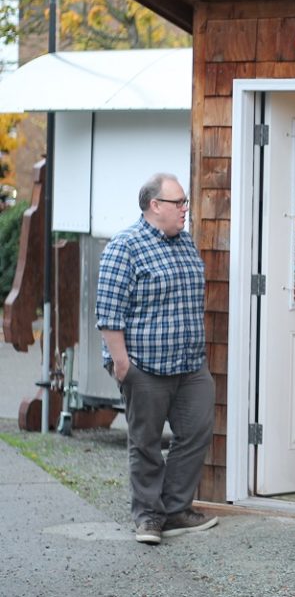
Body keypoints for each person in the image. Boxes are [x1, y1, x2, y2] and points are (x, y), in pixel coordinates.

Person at [96, 172, 217, 545]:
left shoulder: (183, 243)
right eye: (178, 202)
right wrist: (122, 365)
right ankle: (148, 517)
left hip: (189, 364)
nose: (185, 210)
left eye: (185, 202)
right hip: (144, 367)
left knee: (196, 431)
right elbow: (109, 312)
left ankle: (175, 509)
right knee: (146, 443)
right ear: (155, 206)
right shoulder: (125, 247)